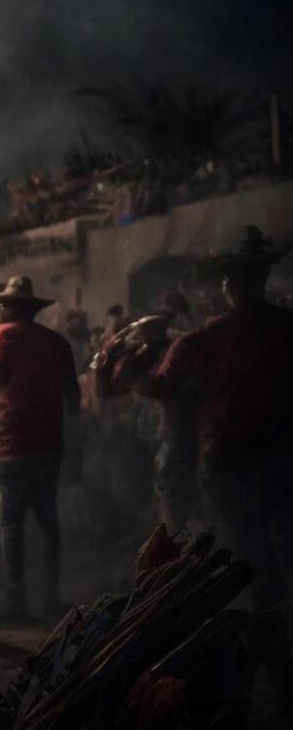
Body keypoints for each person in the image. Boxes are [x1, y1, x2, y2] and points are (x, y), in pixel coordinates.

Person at [141, 227, 293, 690]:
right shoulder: (288, 328)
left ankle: (258, 657)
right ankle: (274, 654)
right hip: (282, 459)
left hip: (229, 460)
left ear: (230, 285)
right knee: (274, 552)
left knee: (244, 558)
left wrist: (128, 367)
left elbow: (160, 389)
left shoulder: (207, 338)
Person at [0, 275, 80, 619]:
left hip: (13, 441)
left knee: (11, 523)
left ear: (6, 308)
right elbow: (74, 399)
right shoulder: (57, 342)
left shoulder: (1, 335)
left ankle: (15, 599)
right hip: (50, 441)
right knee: (48, 522)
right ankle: (51, 597)